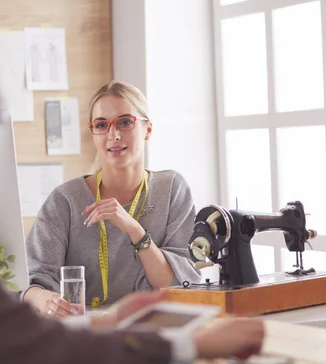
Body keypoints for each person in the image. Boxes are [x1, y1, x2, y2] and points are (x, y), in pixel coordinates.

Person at [0, 40, 266, 363]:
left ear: (147, 129)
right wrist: (190, 344)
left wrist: (106, 322)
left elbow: (5, 334)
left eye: (125, 122)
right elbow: (30, 337)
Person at [23, 80, 202, 317]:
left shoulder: (172, 189)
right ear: (93, 133)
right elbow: (30, 282)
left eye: (125, 122)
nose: (114, 135)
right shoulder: (64, 200)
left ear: (147, 129)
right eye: (101, 125)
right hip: (86, 334)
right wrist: (43, 298)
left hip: (154, 329)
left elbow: (176, 283)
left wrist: (134, 230)